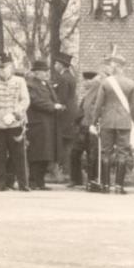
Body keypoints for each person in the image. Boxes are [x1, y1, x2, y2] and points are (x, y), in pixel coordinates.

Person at [92, 45, 134, 194]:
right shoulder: (131, 84)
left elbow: (98, 105)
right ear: (123, 68)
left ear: (114, 67)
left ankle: (105, 185)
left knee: (106, 152)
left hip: (107, 121)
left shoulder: (105, 83)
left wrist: (94, 122)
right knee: (122, 153)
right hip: (124, 122)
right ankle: (119, 186)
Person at [0, 52, 30, 192]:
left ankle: (23, 183)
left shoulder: (20, 81)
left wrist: (16, 113)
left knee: (19, 155)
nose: (1, 71)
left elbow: (25, 100)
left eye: (4, 67)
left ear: (11, 67)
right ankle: (1, 183)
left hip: (14, 122)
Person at [25, 60, 64, 190]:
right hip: (38, 124)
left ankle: (40, 182)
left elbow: (52, 98)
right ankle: (33, 181)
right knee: (37, 153)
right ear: (36, 73)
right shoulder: (30, 85)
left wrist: (58, 105)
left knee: (45, 154)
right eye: (44, 71)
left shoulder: (46, 84)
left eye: (47, 71)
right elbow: (35, 101)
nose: (46, 74)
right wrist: (53, 106)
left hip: (48, 124)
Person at [74, 69, 103, 190]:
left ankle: (92, 180)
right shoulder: (88, 93)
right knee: (75, 152)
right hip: (83, 126)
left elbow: (95, 109)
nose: (84, 83)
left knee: (93, 154)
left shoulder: (97, 90)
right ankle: (77, 180)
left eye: (86, 81)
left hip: (92, 126)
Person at [52, 52, 78, 184]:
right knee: (68, 145)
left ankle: (65, 173)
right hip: (72, 113)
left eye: (56, 63)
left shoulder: (62, 78)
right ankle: (68, 173)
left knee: (63, 144)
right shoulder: (71, 77)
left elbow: (61, 98)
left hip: (64, 115)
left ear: (61, 65)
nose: (54, 65)